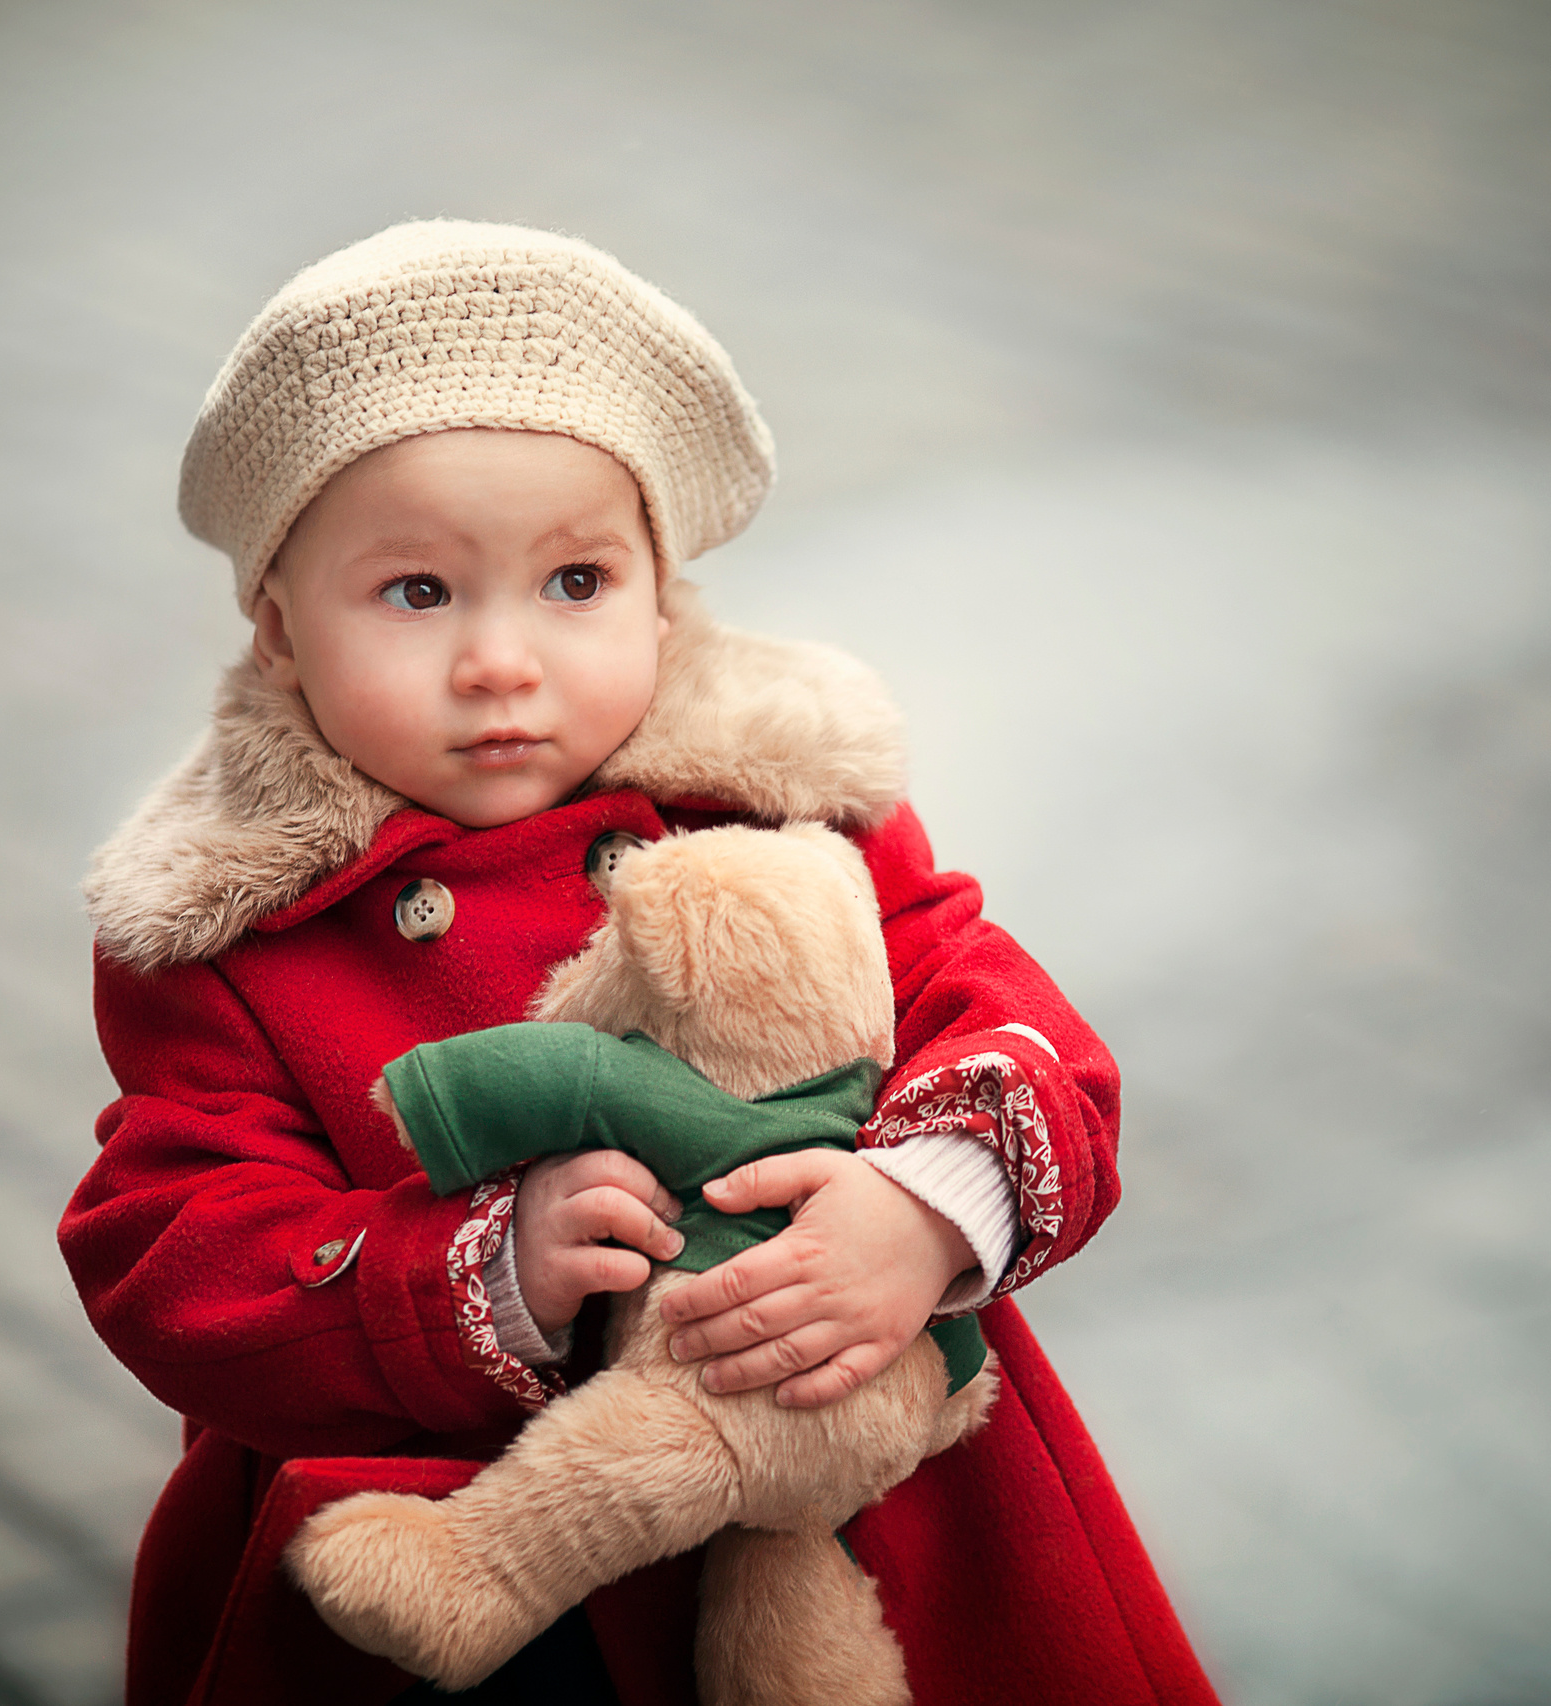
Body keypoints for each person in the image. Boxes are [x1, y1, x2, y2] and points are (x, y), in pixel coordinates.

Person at [62, 220, 1216, 1706]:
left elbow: (994, 1006)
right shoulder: (238, 934)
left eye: (575, 582)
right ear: (281, 632)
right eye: (418, 591)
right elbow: (167, 1247)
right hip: (468, 1584)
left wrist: (927, 1207)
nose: (500, 659)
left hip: (870, 1506)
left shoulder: (786, 802)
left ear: (661, 595)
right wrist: (482, 1274)